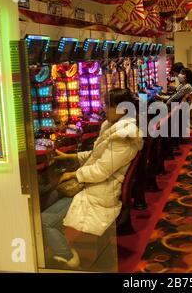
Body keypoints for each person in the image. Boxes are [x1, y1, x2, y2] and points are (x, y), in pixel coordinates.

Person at [41, 88, 144, 269]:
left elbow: (101, 170)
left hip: (100, 190)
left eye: (107, 105)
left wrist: (73, 174)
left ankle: (67, 258)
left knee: (44, 220)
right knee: (48, 200)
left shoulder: (124, 135)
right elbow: (99, 155)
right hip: (96, 184)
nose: (103, 109)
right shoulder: (113, 127)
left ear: (121, 109)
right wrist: (72, 157)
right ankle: (59, 244)